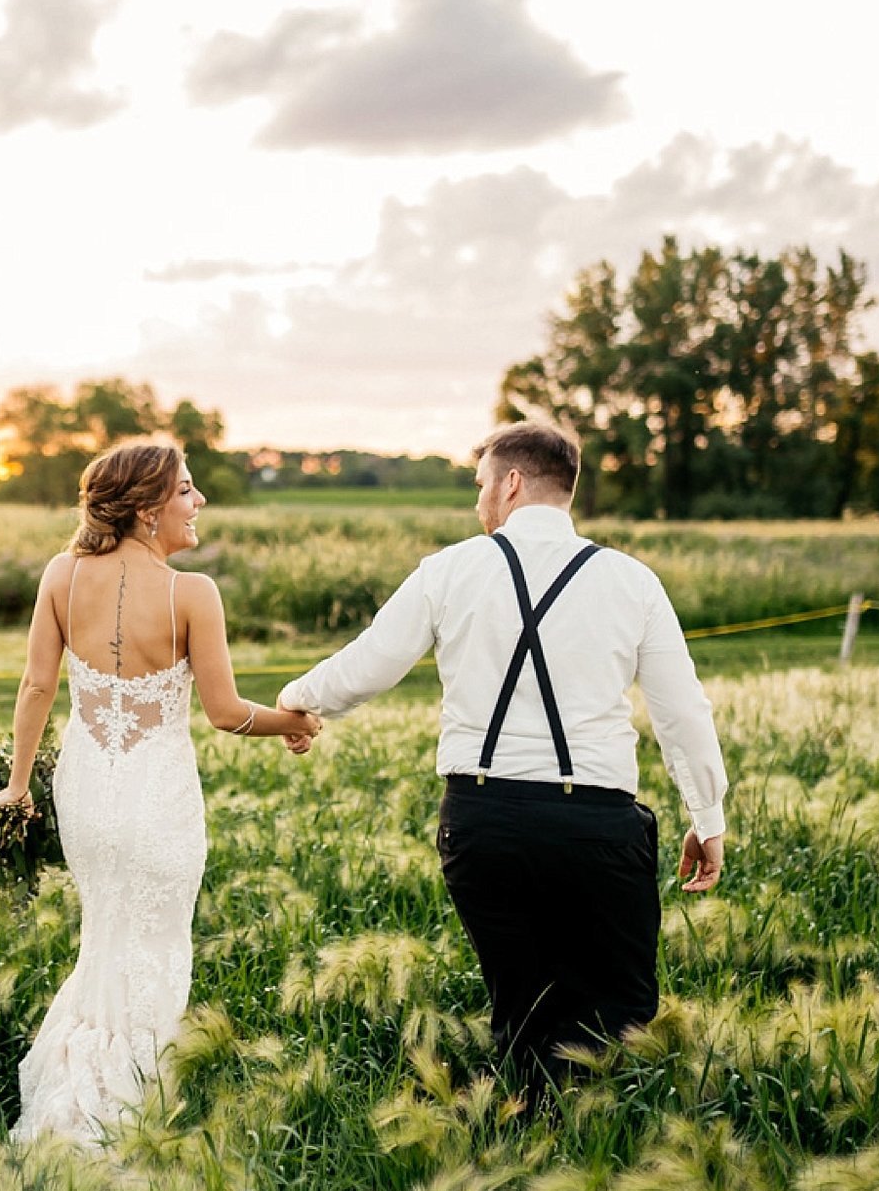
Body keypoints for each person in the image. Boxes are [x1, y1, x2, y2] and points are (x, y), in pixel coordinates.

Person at [277, 420, 728, 1102]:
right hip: (597, 827)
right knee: (620, 1010)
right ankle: (589, 1144)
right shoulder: (633, 582)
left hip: (483, 823)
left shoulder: (450, 570)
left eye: (483, 484)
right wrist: (708, 814)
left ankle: (520, 1128)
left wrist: (298, 701)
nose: (479, 500)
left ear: (513, 482)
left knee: (523, 1007)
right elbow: (682, 711)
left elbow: (369, 662)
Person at [0, 438, 322, 1144]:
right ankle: (130, 1105)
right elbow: (228, 713)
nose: (198, 502)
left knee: (103, 937)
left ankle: (79, 1096)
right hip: (157, 799)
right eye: (186, 491)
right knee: (156, 946)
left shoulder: (61, 574)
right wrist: (294, 721)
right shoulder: (190, 594)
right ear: (146, 508)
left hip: (84, 793)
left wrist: (18, 788)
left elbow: (37, 687)